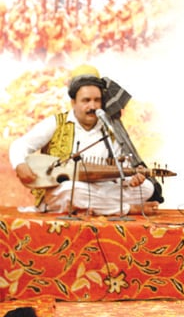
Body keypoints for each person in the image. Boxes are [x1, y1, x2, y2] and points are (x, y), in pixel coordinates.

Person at [9, 65, 162, 216]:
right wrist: (20, 165)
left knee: (146, 188)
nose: (93, 106)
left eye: (97, 100)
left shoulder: (109, 130)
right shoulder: (57, 123)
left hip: (100, 190)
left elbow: (121, 170)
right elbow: (20, 145)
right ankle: (127, 209)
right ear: (73, 103)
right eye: (86, 100)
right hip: (65, 190)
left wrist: (132, 180)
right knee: (72, 190)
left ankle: (92, 208)